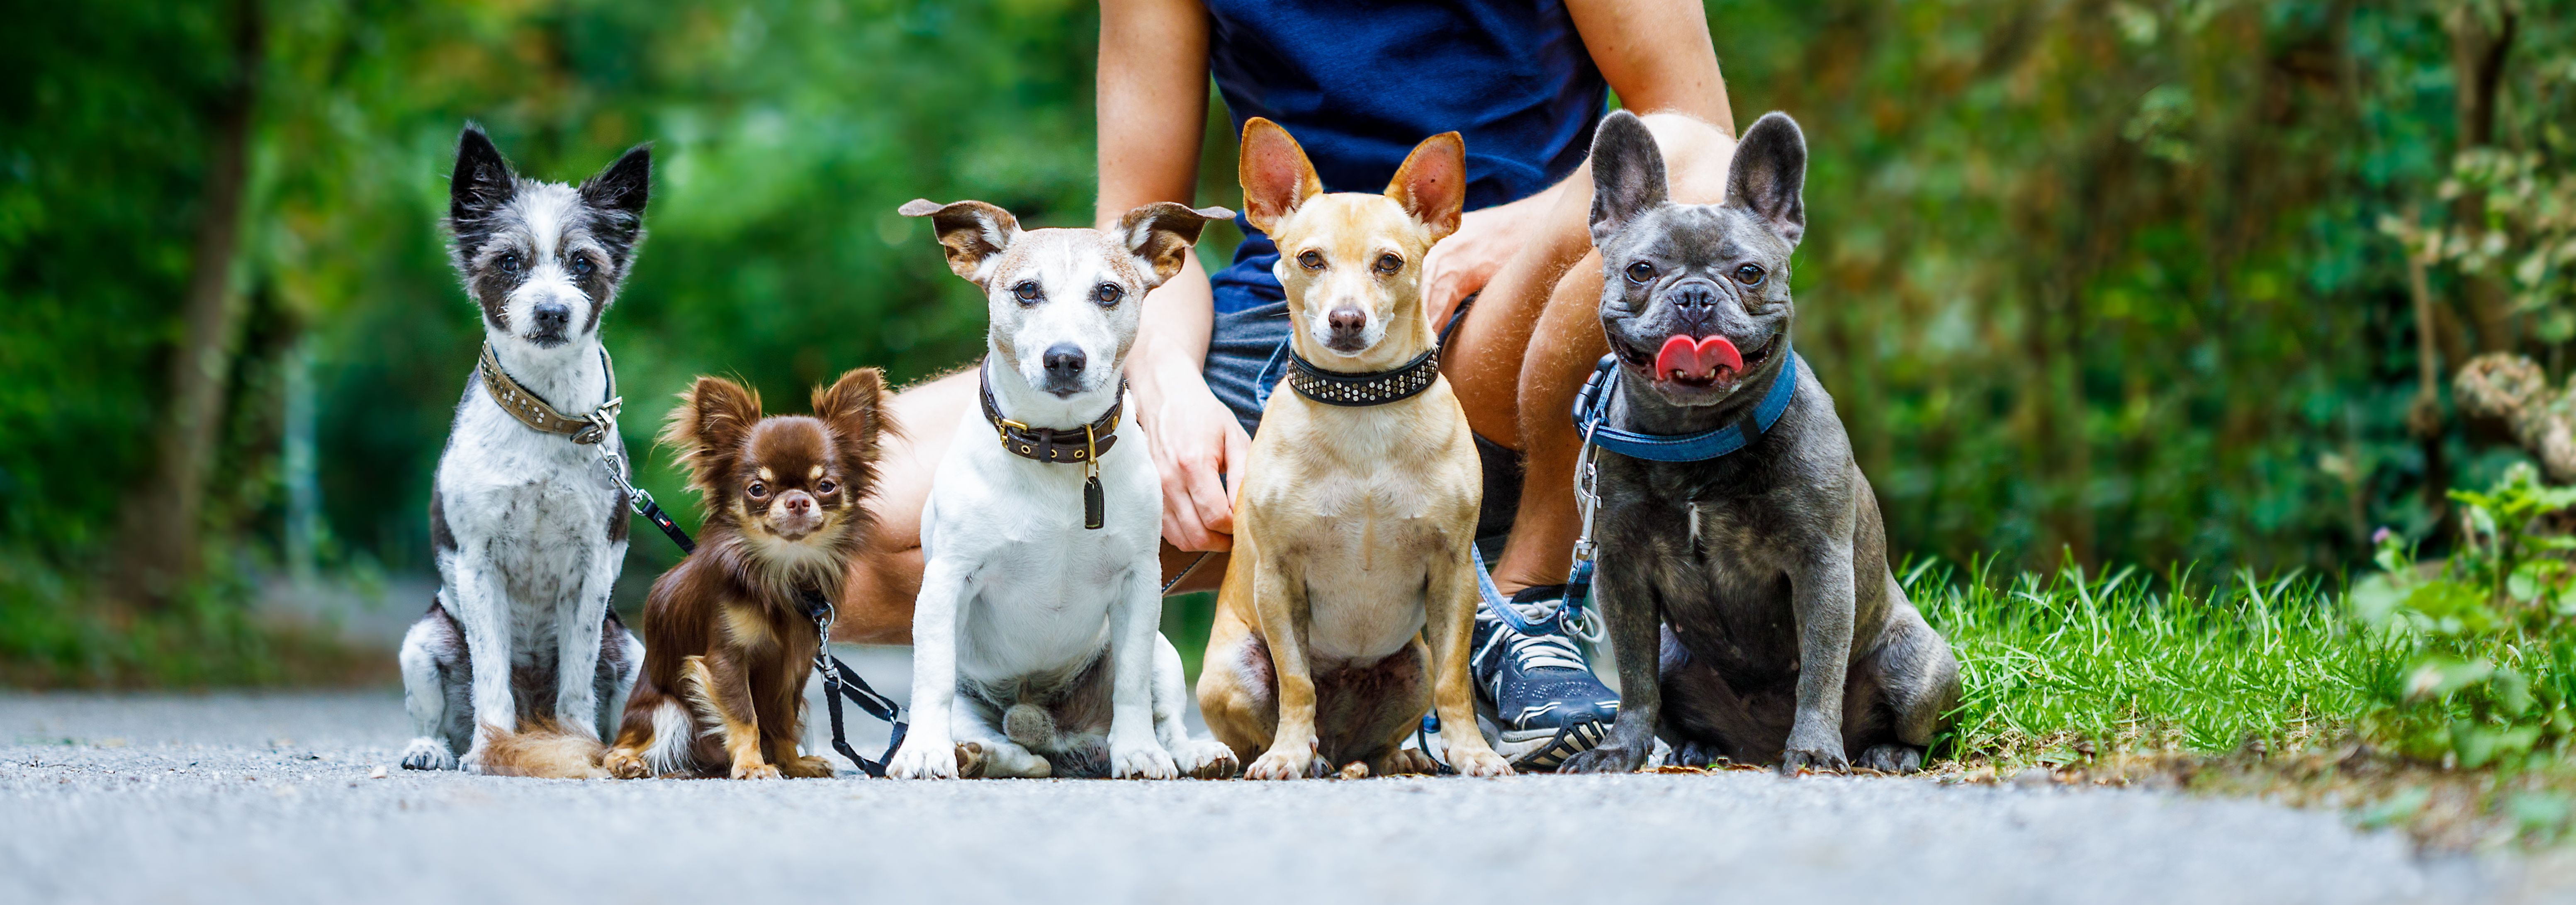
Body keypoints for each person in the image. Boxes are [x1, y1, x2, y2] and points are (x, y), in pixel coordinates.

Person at [839, 0, 1743, 769]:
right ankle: (1046, 715)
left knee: (1685, 167)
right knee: (854, 520)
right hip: (1274, 328)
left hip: (1502, 309)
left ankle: (1527, 599)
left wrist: (1492, 239)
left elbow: (1701, 133)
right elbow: (1138, 218)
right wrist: (1161, 380)